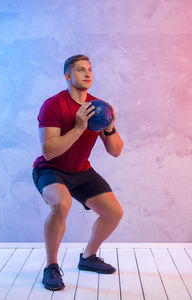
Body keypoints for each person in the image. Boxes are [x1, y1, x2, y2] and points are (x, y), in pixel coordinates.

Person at [32, 54, 124, 291]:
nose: (87, 73)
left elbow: (115, 152)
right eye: (81, 69)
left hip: (81, 170)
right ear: (68, 76)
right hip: (51, 169)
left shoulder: (98, 107)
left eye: (90, 70)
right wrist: (79, 127)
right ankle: (51, 266)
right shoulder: (53, 105)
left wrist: (110, 127)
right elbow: (49, 151)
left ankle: (88, 257)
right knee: (61, 204)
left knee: (113, 213)